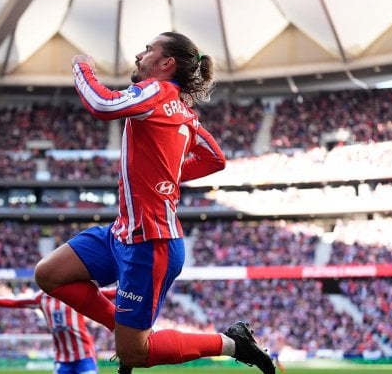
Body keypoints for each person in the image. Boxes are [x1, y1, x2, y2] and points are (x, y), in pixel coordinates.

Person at [34, 32, 275, 374]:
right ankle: (123, 329)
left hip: (151, 244)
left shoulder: (156, 90)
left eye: (148, 50)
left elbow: (102, 104)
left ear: (166, 64)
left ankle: (233, 343)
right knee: (49, 274)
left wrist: (81, 67)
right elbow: (214, 159)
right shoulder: (186, 115)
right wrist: (166, 176)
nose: (138, 55)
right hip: (122, 233)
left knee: (135, 355)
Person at [0, 287, 116, 374]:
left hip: (84, 354)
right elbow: (13, 302)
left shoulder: (75, 292)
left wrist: (133, 288)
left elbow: (106, 293)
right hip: (62, 358)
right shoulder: (41, 298)